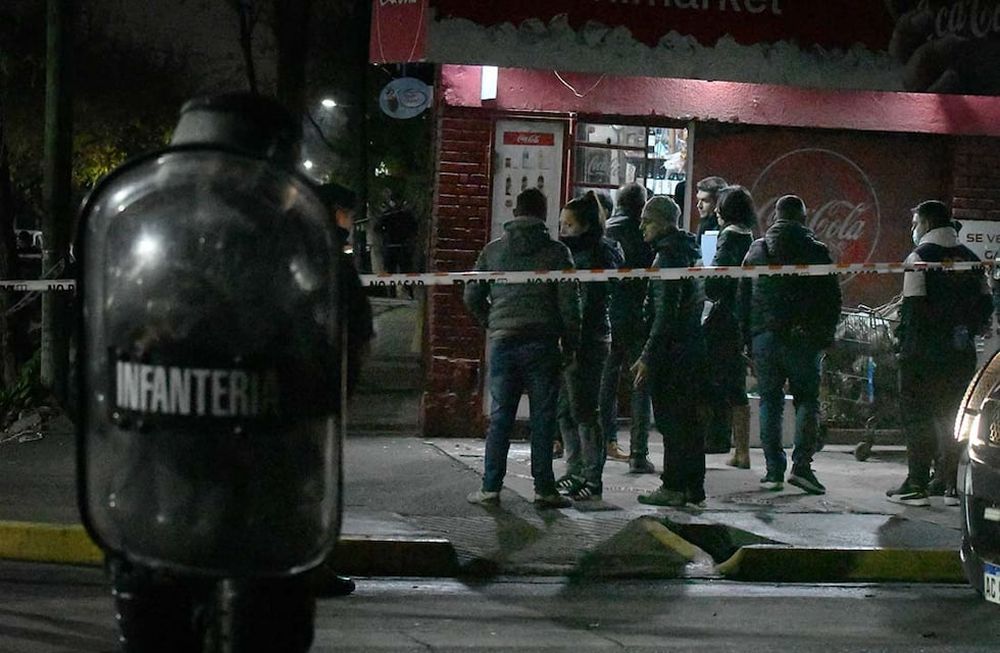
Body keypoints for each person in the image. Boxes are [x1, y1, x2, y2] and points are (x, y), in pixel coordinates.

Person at [464, 188, 580, 509]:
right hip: (543, 343)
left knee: (501, 416)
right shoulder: (557, 253)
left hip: (503, 342)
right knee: (543, 418)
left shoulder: (493, 252)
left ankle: (490, 488)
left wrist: (493, 322)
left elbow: (471, 295)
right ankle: (544, 489)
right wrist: (571, 342)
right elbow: (570, 304)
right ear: (543, 215)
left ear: (515, 212)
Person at [887, 200, 992, 507]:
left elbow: (914, 310)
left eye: (916, 223)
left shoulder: (920, 257)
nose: (914, 229)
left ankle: (916, 483)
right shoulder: (971, 259)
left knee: (917, 416)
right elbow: (986, 305)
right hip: (960, 353)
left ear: (927, 224)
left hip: (922, 353)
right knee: (953, 417)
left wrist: (902, 344)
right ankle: (950, 484)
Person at [741, 195, 841, 495]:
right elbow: (831, 299)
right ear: (803, 218)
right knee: (806, 401)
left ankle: (773, 471)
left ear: (775, 217)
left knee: (769, 400)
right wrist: (824, 335)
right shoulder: (817, 251)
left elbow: (743, 297)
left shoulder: (756, 250)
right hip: (802, 339)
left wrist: (748, 337)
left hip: (765, 339)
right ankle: (802, 468)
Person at [308, 182, 375, 598]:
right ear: (335, 212)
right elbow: (358, 322)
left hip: (296, 382)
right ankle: (313, 564)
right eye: (348, 213)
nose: (351, 221)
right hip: (322, 382)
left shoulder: (292, 249)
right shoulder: (330, 256)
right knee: (318, 481)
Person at [632, 196, 708, 508]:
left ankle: (673, 485)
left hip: (672, 352)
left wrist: (648, 356)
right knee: (688, 422)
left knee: (672, 421)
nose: (641, 227)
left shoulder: (666, 259)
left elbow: (664, 315)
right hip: (690, 347)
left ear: (663, 222)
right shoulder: (689, 252)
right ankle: (692, 487)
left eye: (647, 221)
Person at [555, 192, 624, 501]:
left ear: (585, 226)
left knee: (584, 410)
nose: (562, 231)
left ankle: (591, 476)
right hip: (573, 339)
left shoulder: (594, 257)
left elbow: (589, 305)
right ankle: (575, 469)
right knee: (566, 410)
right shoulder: (570, 256)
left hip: (588, 341)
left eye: (568, 224)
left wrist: (574, 339)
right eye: (561, 224)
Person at [599, 183, 656, 473]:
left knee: (606, 380)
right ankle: (638, 452)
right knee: (639, 383)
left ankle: (604, 442)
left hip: (608, 314)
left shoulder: (606, 230)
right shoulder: (645, 233)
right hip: (638, 315)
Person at [703, 186, 756, 468]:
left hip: (723, 318)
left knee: (713, 379)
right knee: (737, 384)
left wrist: (704, 276)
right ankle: (742, 450)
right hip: (742, 316)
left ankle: (730, 448)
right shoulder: (751, 236)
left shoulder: (729, 236)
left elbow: (717, 280)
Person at [695, 176, 728, 244]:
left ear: (719, 202)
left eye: (705, 201)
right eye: (698, 200)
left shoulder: (727, 231)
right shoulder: (704, 224)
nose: (699, 205)